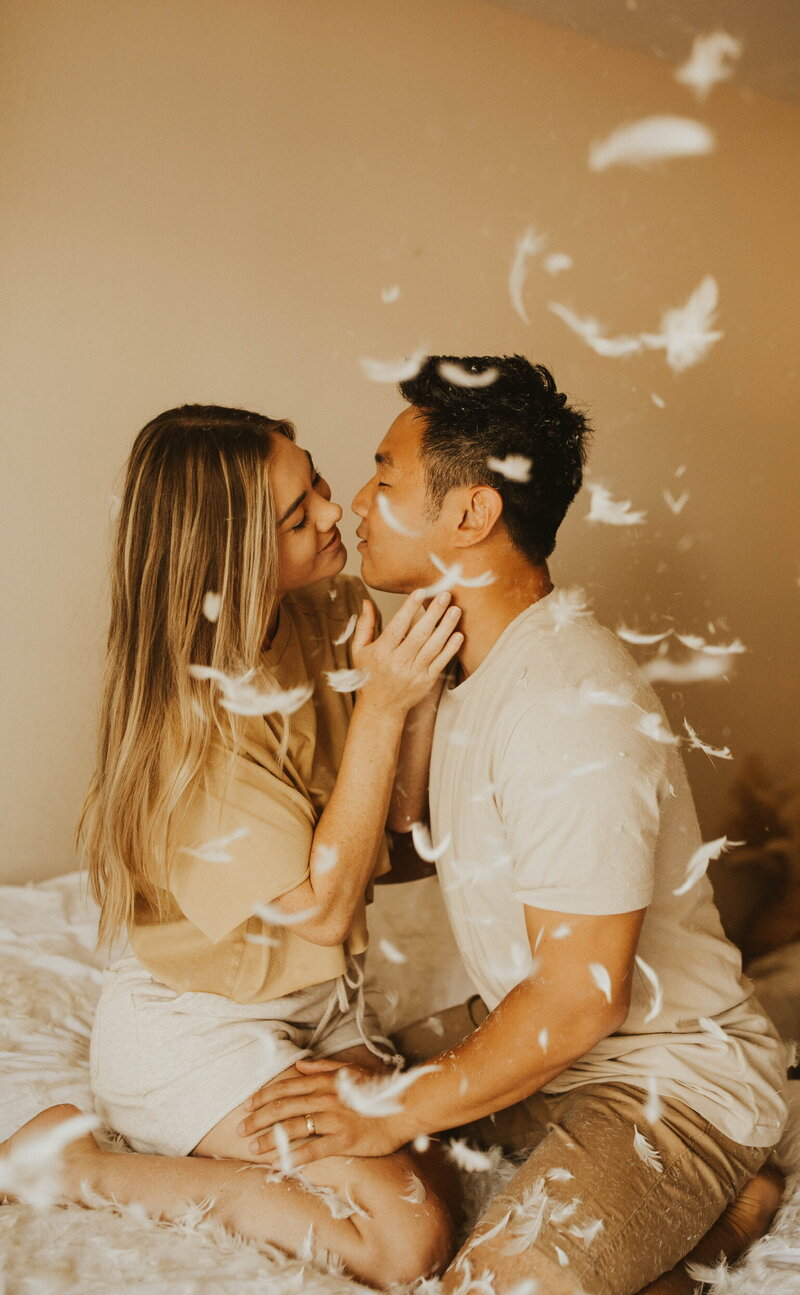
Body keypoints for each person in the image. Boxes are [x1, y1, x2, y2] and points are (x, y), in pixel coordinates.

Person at [235, 357, 790, 1295]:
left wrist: (389, 1113)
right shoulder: (465, 658)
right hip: (545, 1037)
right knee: (315, 1085)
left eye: (385, 474)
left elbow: (580, 1000)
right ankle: (714, 1218)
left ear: (471, 515)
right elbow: (420, 842)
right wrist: (390, 714)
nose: (357, 501)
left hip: (661, 1080)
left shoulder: (570, 703)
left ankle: (729, 1185)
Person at [0, 404, 463, 1289]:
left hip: (314, 1006)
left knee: (449, 1145)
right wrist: (382, 707)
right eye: (299, 516)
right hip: (195, 1029)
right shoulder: (192, 727)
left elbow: (397, 836)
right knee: (404, 1244)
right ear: (233, 557)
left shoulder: (331, 608)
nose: (334, 512)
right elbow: (326, 907)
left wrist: (418, 695)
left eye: (317, 483)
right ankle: (74, 1165)